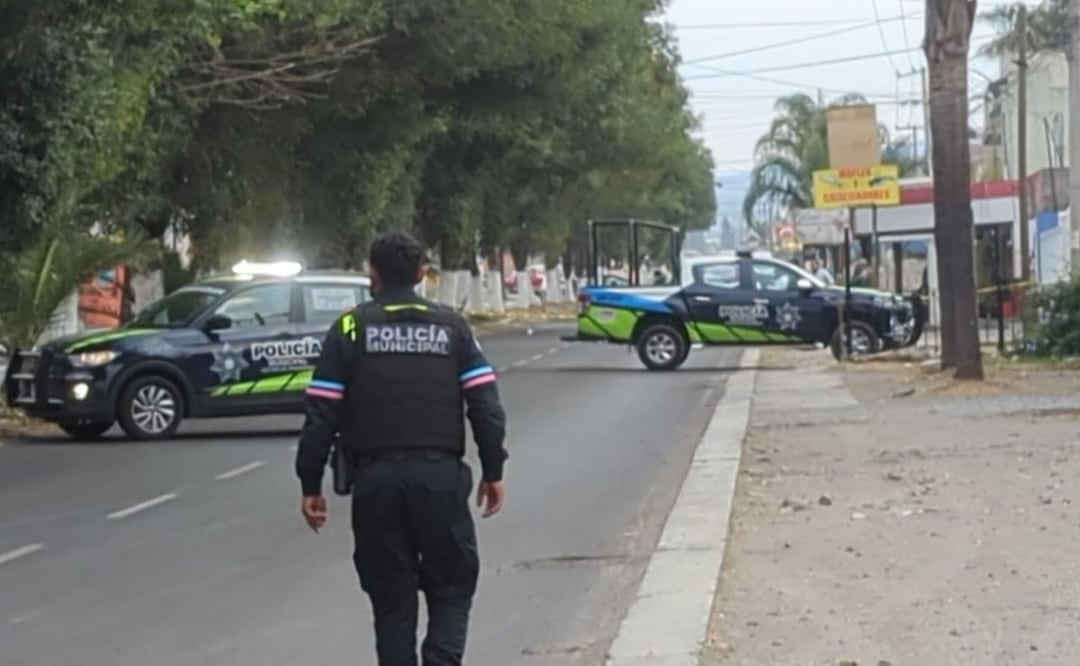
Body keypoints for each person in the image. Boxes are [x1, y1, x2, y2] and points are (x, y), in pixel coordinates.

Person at [294, 230, 509, 666]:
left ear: (371, 274)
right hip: (440, 480)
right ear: (421, 274)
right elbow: (485, 405)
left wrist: (310, 484)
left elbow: (321, 415)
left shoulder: (350, 328)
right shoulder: (452, 327)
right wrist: (493, 471)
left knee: (391, 599)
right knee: (452, 585)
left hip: (375, 485)